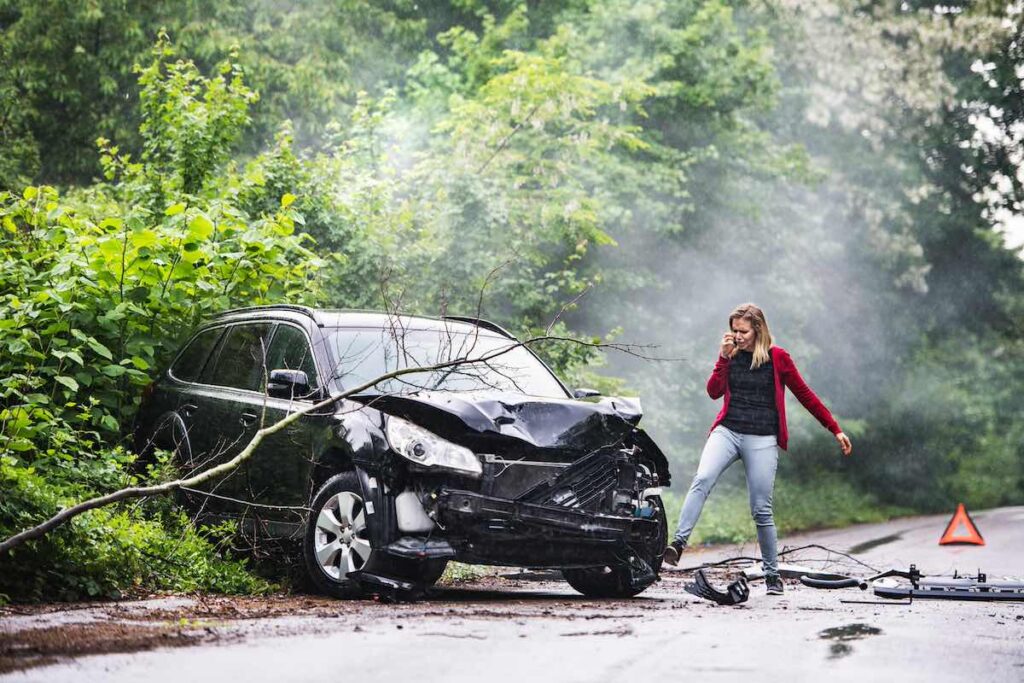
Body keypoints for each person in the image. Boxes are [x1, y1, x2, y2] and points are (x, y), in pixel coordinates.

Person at [662, 303, 853, 595]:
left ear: (758, 330)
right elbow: (713, 392)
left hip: (762, 438)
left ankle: (772, 575)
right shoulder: (730, 355)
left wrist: (834, 428)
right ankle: (677, 544)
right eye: (734, 330)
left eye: (743, 331)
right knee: (702, 479)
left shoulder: (778, 358)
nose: (737, 336)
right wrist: (723, 359)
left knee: (761, 509)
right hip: (728, 431)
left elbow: (805, 394)